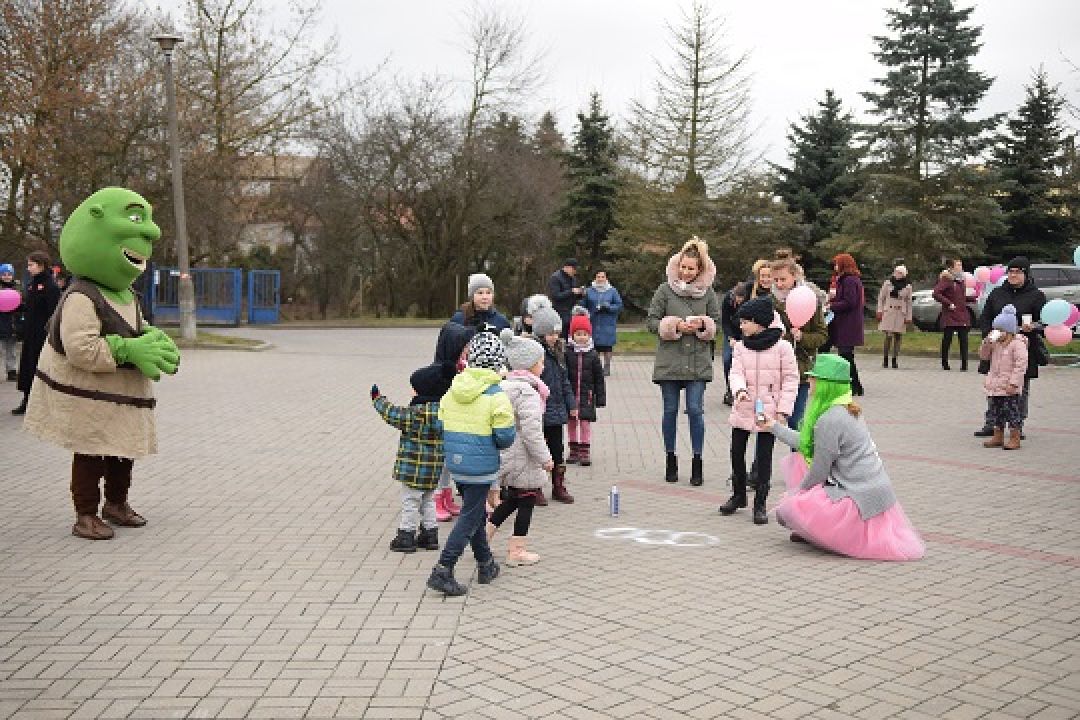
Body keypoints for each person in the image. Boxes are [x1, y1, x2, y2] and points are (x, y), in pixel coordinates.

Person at [23, 188, 180, 540]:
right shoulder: (82, 295)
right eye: (136, 219)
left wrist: (155, 340)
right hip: (90, 399)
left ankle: (116, 504)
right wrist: (127, 350)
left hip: (121, 398)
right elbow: (81, 348)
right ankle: (85, 514)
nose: (151, 232)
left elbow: (135, 326)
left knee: (123, 452)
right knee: (91, 454)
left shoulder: (126, 293)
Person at [760, 354, 925, 561]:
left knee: (786, 511)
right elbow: (807, 444)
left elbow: (819, 471)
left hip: (856, 498)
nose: (809, 380)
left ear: (826, 384)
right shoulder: (846, 408)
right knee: (800, 479)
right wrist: (773, 426)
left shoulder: (830, 419)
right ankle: (814, 529)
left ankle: (820, 532)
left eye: (814, 378)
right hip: (873, 494)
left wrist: (795, 495)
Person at [426, 332, 515, 596]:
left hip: (456, 463)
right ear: (498, 363)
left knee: (474, 512)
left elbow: (440, 424)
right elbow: (505, 436)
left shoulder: (453, 389)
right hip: (481, 465)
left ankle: (485, 563)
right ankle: (443, 568)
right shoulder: (497, 395)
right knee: (470, 517)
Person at [646, 237, 721, 486]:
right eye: (683, 267)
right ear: (677, 266)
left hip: (697, 363)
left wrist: (703, 324)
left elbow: (716, 323)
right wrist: (673, 325)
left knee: (695, 410)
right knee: (670, 411)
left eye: (691, 268)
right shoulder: (664, 290)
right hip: (670, 362)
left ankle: (697, 461)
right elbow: (651, 321)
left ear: (699, 270)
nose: (686, 272)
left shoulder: (708, 293)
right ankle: (670, 458)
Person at [718, 297, 799, 525]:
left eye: (745, 322)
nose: (741, 326)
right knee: (736, 451)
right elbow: (735, 372)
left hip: (769, 411)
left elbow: (791, 379)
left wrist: (783, 410)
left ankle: (760, 502)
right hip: (744, 406)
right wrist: (739, 390)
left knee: (764, 457)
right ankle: (738, 495)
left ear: (758, 322)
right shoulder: (741, 347)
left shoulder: (783, 347)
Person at [486, 330, 553, 565]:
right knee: (527, 500)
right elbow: (532, 431)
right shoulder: (528, 393)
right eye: (541, 362)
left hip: (506, 453)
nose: (543, 366)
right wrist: (545, 458)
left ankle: (484, 537)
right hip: (523, 456)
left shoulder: (503, 387)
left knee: (513, 499)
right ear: (530, 365)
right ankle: (517, 552)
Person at [371, 365, 446, 553]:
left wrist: (378, 399)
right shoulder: (445, 413)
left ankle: (406, 534)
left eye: (415, 388)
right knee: (428, 500)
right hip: (433, 468)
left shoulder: (414, 414)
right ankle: (430, 534)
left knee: (410, 501)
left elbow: (391, 413)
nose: (412, 391)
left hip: (413, 469)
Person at [973, 257, 1046, 439]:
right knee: (994, 384)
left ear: (1026, 274)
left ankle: (1016, 425)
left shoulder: (1036, 295)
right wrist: (988, 334)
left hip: (1022, 346)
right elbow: (985, 317)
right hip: (997, 347)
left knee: (1019, 386)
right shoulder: (998, 293)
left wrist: (1033, 327)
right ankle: (992, 423)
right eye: (1011, 271)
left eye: (1018, 272)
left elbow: (1044, 322)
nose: (1013, 275)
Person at [770, 252, 827, 430]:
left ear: (794, 276)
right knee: (770, 420)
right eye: (775, 280)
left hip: (800, 368)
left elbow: (822, 335)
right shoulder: (768, 301)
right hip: (774, 368)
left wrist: (802, 337)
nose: (779, 284)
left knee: (796, 420)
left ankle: (800, 448)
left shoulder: (810, 299)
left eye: (783, 279)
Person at [528, 306, 577, 503]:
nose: (554, 337)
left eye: (557, 333)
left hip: (556, 411)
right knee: (539, 450)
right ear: (540, 333)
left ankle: (558, 485)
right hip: (539, 412)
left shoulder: (559, 353)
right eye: (550, 333)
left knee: (557, 450)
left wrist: (571, 404)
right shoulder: (535, 354)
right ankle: (536, 487)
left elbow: (565, 381)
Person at [430, 321, 475, 521]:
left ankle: (446, 495)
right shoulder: (439, 372)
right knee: (440, 463)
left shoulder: (463, 366)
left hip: (457, 421)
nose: (468, 349)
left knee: (449, 463)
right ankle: (436, 498)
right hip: (442, 422)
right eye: (464, 346)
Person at [12, 251, 61, 415]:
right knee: (27, 367)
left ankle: (43, 403)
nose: (28, 268)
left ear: (41, 265)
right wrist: (17, 307)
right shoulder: (31, 285)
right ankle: (27, 399)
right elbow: (29, 307)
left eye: (31, 265)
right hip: (29, 334)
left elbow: (54, 313)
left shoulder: (51, 287)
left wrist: (50, 334)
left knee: (40, 368)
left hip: (42, 335)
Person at [978, 305, 1028, 451]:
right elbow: (984, 356)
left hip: (1009, 386)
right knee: (996, 412)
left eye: (1000, 330)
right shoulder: (996, 344)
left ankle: (1015, 437)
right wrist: (986, 343)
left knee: (1012, 412)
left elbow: (1020, 365)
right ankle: (998, 436)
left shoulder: (1017, 344)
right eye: (996, 329)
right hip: (996, 385)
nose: (997, 333)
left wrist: (1014, 383)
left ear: (1009, 331)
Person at [565, 307, 606, 466]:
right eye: (578, 334)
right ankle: (573, 449)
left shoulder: (593, 354)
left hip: (586, 396)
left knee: (585, 423)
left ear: (589, 335)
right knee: (571, 423)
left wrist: (600, 397)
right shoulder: (567, 353)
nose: (581, 337)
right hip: (571, 395)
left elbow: (599, 378)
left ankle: (584, 450)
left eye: (584, 334)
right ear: (572, 335)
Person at [826, 253, 865, 396]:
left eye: (837, 264)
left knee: (846, 355)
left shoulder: (849, 280)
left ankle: (854, 385)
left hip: (848, 324)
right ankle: (855, 385)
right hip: (845, 323)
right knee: (846, 355)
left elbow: (850, 302)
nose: (835, 267)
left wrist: (832, 306)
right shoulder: (846, 279)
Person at [581, 269, 622, 376]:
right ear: (595, 278)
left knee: (607, 346)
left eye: (602, 277)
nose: (600, 279)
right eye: (598, 277)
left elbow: (619, 305)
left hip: (607, 322)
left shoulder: (612, 291)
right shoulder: (589, 291)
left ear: (606, 278)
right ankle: (596, 367)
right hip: (593, 322)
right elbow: (583, 305)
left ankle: (607, 367)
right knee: (594, 346)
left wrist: (608, 307)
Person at [933, 259, 973, 371]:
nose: (961, 267)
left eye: (961, 265)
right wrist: (948, 303)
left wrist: (972, 298)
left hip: (962, 313)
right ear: (952, 267)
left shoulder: (961, 280)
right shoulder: (947, 279)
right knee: (947, 339)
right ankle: (945, 362)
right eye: (958, 265)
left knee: (964, 339)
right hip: (950, 314)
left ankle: (964, 364)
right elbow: (936, 293)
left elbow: (960, 297)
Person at [719, 281, 751, 406]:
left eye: (741, 300)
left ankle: (743, 388)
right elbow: (725, 321)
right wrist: (730, 337)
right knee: (727, 359)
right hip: (731, 333)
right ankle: (730, 389)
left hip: (745, 333)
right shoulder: (728, 300)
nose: (739, 302)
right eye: (737, 299)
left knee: (744, 361)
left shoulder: (749, 300)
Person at [876, 264, 913, 369]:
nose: (897, 274)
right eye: (896, 272)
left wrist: (908, 316)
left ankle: (894, 359)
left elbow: (909, 302)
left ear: (904, 274)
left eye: (900, 273)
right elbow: (881, 298)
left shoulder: (908, 286)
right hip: (889, 311)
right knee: (888, 335)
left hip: (900, 313)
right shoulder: (888, 283)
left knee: (898, 336)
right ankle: (885, 359)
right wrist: (879, 310)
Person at [546, 258, 584, 338]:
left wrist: (580, 293)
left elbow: (573, 294)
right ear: (567, 267)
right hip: (559, 312)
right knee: (561, 335)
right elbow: (555, 296)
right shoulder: (555, 278)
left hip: (571, 311)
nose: (575, 272)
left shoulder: (573, 278)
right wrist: (571, 291)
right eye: (574, 269)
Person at [0, 263, 19, 382]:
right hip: (1, 323)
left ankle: (11, 371)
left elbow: (22, 304)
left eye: (9, 274)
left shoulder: (17, 288)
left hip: (12, 324)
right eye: (4, 274)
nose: (6, 276)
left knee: (11, 350)